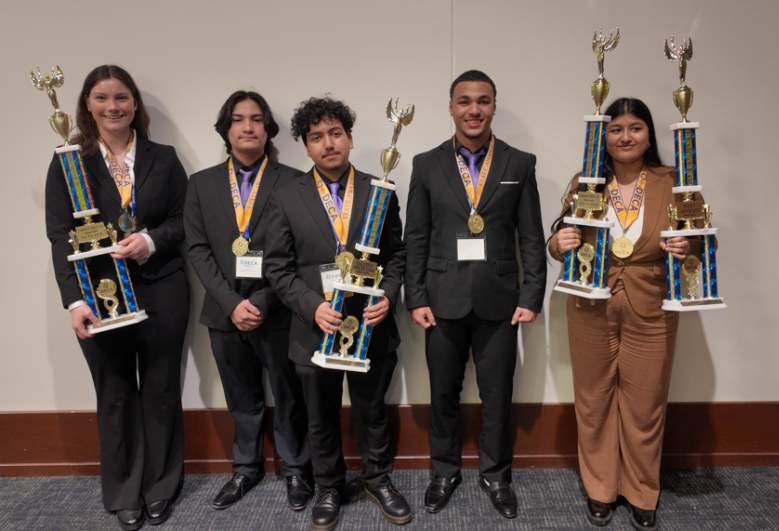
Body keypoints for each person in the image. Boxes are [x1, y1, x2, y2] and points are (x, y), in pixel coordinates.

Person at [44, 65, 188, 530]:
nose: (113, 106)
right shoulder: (69, 160)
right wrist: (74, 301)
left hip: (161, 284)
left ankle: (161, 486)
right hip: (97, 293)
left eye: (122, 97)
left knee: (162, 389)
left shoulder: (163, 157)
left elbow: (186, 220)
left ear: (135, 104)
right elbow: (59, 235)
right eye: (102, 98)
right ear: (87, 103)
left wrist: (151, 241)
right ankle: (126, 491)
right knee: (115, 391)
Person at [548, 97, 700, 531]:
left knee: (645, 405)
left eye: (635, 127)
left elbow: (703, 244)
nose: (625, 136)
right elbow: (559, 238)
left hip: (652, 308)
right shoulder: (586, 181)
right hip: (589, 306)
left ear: (649, 134)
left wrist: (687, 249)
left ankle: (640, 491)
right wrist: (558, 245)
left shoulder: (675, 182)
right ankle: (600, 489)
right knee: (594, 400)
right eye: (616, 128)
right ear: (604, 136)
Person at [404, 70, 547, 519]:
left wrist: (531, 294)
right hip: (441, 299)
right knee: (443, 393)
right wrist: (416, 296)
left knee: (497, 394)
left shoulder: (519, 163)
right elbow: (417, 237)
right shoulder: (425, 164)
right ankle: (444, 472)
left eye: (482, 101)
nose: (473, 110)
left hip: (501, 300)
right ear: (450, 107)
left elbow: (530, 236)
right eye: (464, 101)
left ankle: (496, 475)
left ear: (494, 107)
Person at [263, 96, 410, 531]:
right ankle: (328, 485)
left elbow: (397, 254)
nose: (328, 144)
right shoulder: (286, 195)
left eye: (335, 133)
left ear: (349, 137)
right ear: (305, 147)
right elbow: (277, 267)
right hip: (315, 328)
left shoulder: (379, 190)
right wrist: (313, 307)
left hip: (370, 325)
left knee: (372, 409)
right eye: (316, 137)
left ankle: (377, 479)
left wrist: (387, 292)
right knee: (319, 414)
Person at [183, 91, 312, 511]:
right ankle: (246, 468)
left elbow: (298, 254)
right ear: (226, 129)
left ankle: (296, 470)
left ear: (268, 129)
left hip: (276, 310)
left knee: (288, 392)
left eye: (257, 119)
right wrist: (231, 303)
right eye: (238, 119)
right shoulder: (200, 184)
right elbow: (197, 250)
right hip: (224, 311)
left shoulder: (295, 180)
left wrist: (260, 301)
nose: (248, 127)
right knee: (241, 397)